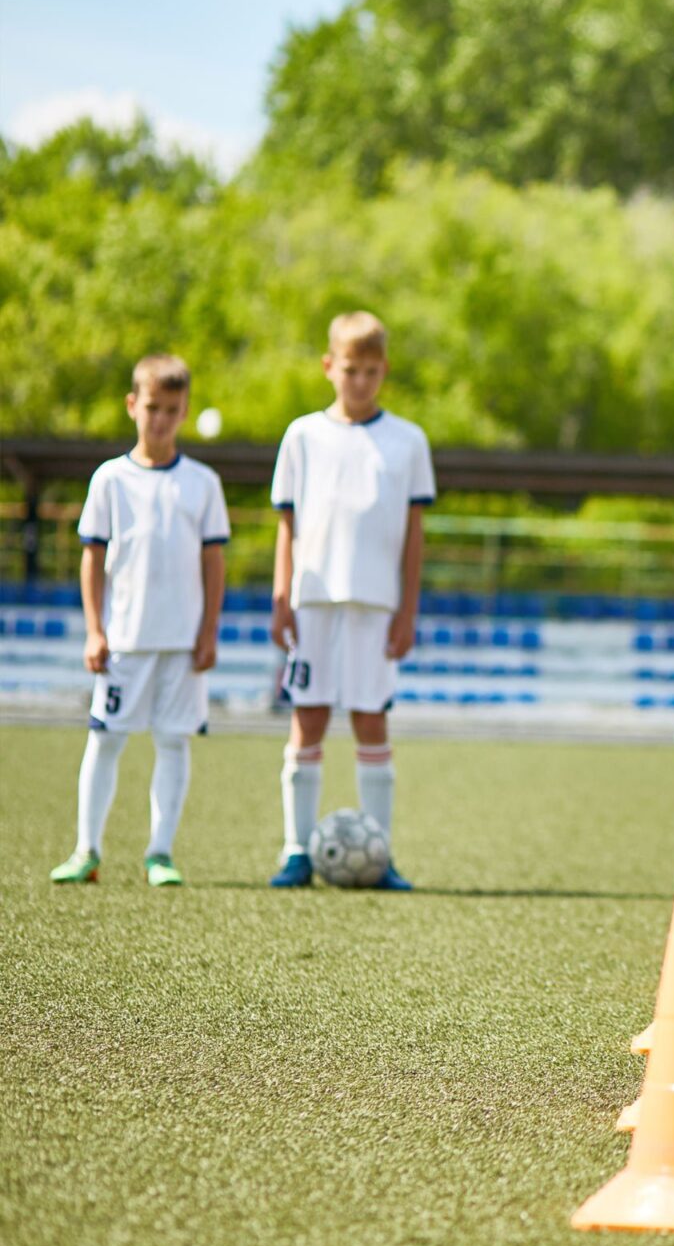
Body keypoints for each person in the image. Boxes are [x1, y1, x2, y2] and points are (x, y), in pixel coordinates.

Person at [267, 311, 435, 889]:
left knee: (370, 722)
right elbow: (286, 523)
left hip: (376, 605)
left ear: (383, 370)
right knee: (307, 718)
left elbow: (414, 533)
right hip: (313, 600)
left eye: (370, 370)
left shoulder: (408, 441)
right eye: (349, 369)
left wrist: (408, 608)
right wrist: (281, 593)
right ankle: (295, 850)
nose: (359, 380)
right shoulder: (302, 436)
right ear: (328, 367)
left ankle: (380, 854)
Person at [50, 355, 229, 887]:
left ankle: (160, 853)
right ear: (133, 405)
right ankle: (87, 851)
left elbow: (213, 561)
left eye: (172, 410)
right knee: (105, 740)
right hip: (124, 639)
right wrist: (95, 628)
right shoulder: (111, 479)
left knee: (173, 741)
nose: (160, 419)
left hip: (182, 642)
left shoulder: (202, 482)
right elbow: (92, 556)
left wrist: (208, 632)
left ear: (185, 412)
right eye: (152, 407)